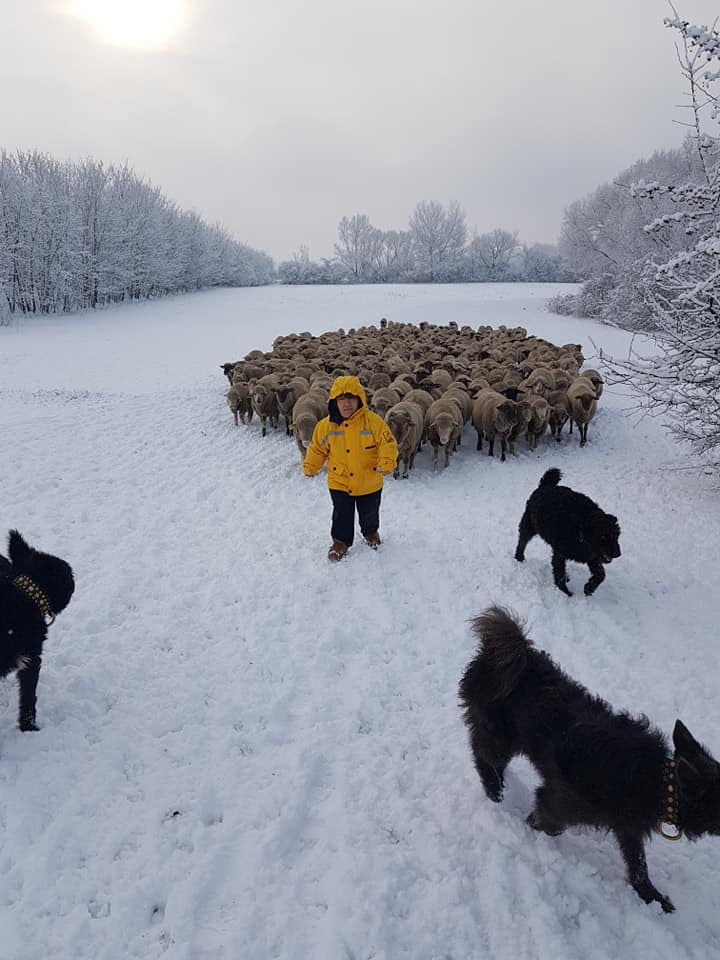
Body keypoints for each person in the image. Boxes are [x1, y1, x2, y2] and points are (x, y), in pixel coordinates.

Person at [304, 375, 398, 561]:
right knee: (341, 514)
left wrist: (387, 461)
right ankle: (340, 542)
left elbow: (387, 443)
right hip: (340, 480)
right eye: (342, 399)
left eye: (351, 399)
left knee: (369, 511)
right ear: (335, 402)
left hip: (369, 479)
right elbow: (317, 447)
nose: (347, 404)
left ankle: (371, 533)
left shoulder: (373, 422)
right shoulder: (326, 426)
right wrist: (311, 465)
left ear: (359, 400)